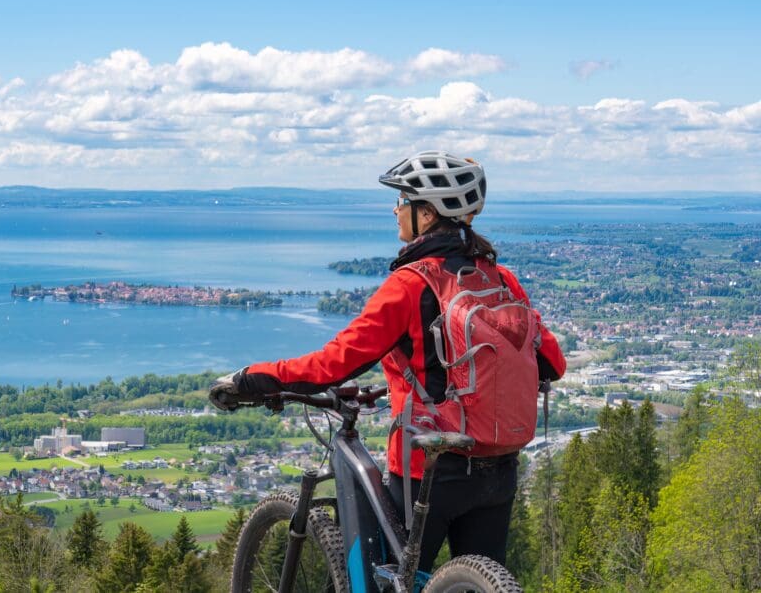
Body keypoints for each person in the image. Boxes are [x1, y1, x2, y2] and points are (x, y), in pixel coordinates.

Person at [209, 150, 566, 573]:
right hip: (499, 468)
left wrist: (254, 378)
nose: (395, 209)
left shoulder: (410, 284)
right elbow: (552, 363)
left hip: (427, 471)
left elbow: (332, 365)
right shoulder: (501, 278)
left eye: (402, 200)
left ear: (428, 214)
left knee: (384, 579)